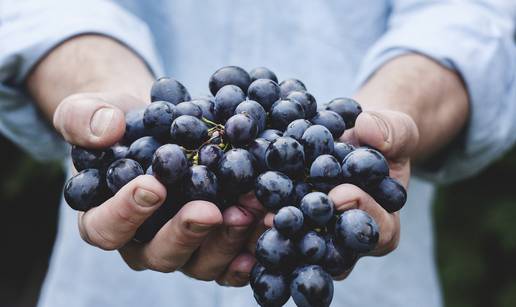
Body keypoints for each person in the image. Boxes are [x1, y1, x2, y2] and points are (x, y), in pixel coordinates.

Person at [1, 1, 516, 306]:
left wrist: (393, 115)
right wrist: (100, 90)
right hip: (119, 272)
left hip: (357, 250)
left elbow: (472, 16)